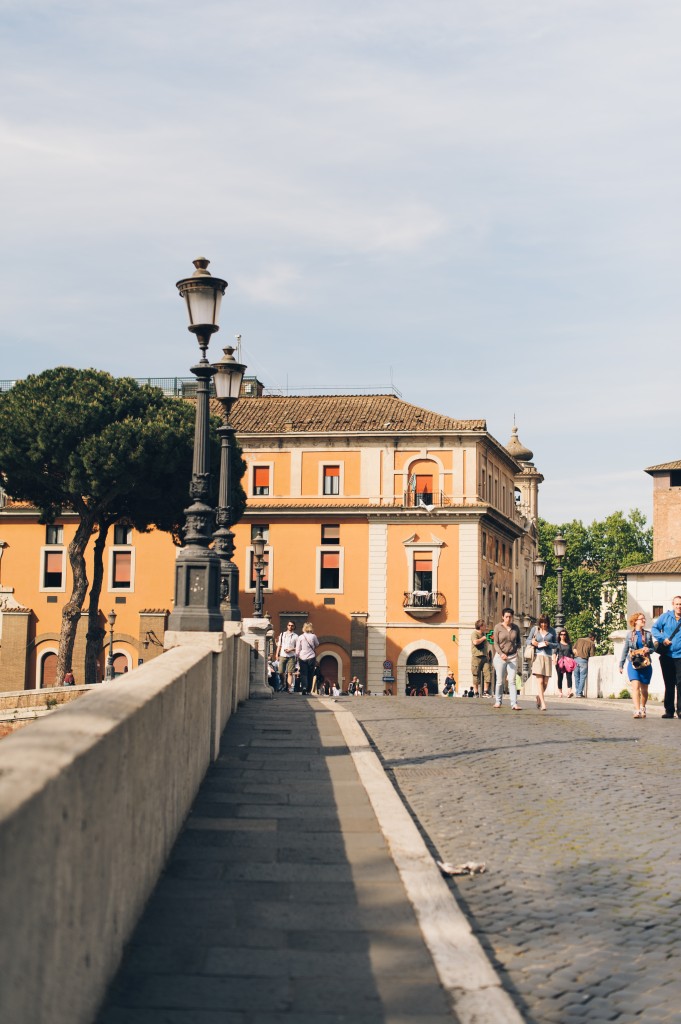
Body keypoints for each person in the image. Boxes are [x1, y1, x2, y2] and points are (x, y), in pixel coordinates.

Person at [619, 611, 654, 718]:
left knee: (644, 689)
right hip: (633, 663)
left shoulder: (648, 634)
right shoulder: (630, 635)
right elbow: (625, 650)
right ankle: (637, 710)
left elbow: (653, 648)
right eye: (641, 619)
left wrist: (648, 649)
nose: (643, 620)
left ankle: (643, 707)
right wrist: (621, 664)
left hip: (645, 663)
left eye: (644, 619)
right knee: (635, 687)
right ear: (635, 621)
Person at [652, 596, 681, 718]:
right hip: (667, 655)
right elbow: (654, 628)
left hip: (680, 656)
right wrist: (663, 639)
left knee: (680, 684)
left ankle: (680, 711)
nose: (679, 606)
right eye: (677, 604)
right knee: (669, 683)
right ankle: (669, 710)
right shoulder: (665, 617)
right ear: (673, 604)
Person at [492, 607, 522, 710]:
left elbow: (518, 641)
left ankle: (514, 704)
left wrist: (517, 649)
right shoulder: (498, 627)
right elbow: (495, 643)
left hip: (512, 657)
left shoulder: (516, 628)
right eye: (506, 617)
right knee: (500, 681)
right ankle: (498, 701)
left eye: (510, 617)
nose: (508, 619)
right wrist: (501, 654)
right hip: (500, 657)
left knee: (512, 681)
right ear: (503, 617)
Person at [527, 614, 556, 711]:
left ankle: (539, 697)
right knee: (539, 681)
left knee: (545, 682)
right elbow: (527, 640)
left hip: (547, 657)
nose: (544, 625)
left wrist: (549, 644)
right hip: (537, 656)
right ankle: (543, 704)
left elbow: (556, 644)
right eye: (542, 623)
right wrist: (533, 642)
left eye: (545, 623)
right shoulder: (535, 629)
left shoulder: (552, 631)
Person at [296, 622, 319, 695]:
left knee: (303, 673)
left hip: (302, 657)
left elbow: (297, 649)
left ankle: (304, 687)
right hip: (311, 657)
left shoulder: (300, 637)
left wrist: (297, 657)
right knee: (310, 673)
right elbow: (317, 644)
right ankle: (308, 690)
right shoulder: (313, 636)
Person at [276, 621, 299, 693]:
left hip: (291, 656)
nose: (290, 627)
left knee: (290, 673)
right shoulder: (282, 634)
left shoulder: (296, 636)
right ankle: (283, 684)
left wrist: (291, 649)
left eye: (292, 625)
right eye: (289, 625)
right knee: (280, 672)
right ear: (287, 626)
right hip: (282, 655)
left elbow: (298, 647)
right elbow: (279, 645)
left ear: (294, 627)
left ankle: (289, 688)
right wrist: (277, 654)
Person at [573, 632, 596, 698]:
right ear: (593, 638)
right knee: (582, 677)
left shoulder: (579, 639)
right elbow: (592, 655)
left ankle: (577, 692)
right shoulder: (592, 643)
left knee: (576, 676)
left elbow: (573, 648)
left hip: (576, 659)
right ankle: (579, 693)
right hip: (583, 660)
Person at [471, 620, 491, 696]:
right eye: (484, 626)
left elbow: (486, 646)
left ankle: (486, 691)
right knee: (476, 674)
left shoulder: (484, 634)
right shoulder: (474, 633)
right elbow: (475, 642)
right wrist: (483, 638)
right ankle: (476, 692)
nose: (486, 627)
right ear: (480, 626)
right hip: (476, 657)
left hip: (485, 657)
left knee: (487, 673)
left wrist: (488, 654)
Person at [554, 629, 576, 698]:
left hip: (568, 662)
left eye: (564, 634)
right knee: (560, 677)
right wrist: (554, 660)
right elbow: (554, 653)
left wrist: (574, 652)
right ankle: (560, 692)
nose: (563, 636)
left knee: (569, 676)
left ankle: (569, 692)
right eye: (561, 634)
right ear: (559, 636)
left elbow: (572, 653)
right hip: (560, 662)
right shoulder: (557, 644)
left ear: (566, 636)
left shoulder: (569, 644)